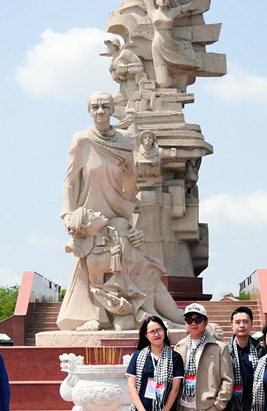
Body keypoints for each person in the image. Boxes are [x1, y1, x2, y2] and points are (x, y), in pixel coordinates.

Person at [57, 92, 184, 331]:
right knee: (92, 264)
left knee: (139, 262)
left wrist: (135, 224)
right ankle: (95, 316)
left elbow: (133, 184)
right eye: (95, 106)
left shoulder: (126, 140)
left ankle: (149, 313)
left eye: (105, 106)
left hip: (118, 214)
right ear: (89, 110)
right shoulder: (81, 140)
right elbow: (70, 181)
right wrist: (68, 215)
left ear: (113, 109)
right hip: (90, 217)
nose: (100, 111)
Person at [141, 0, 199, 88]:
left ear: (169, 1)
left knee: (183, 63)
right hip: (157, 43)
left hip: (171, 43)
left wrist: (195, 4)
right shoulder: (153, 11)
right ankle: (174, 83)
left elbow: (187, 7)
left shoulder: (172, 12)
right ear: (156, 0)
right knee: (162, 81)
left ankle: (181, 80)